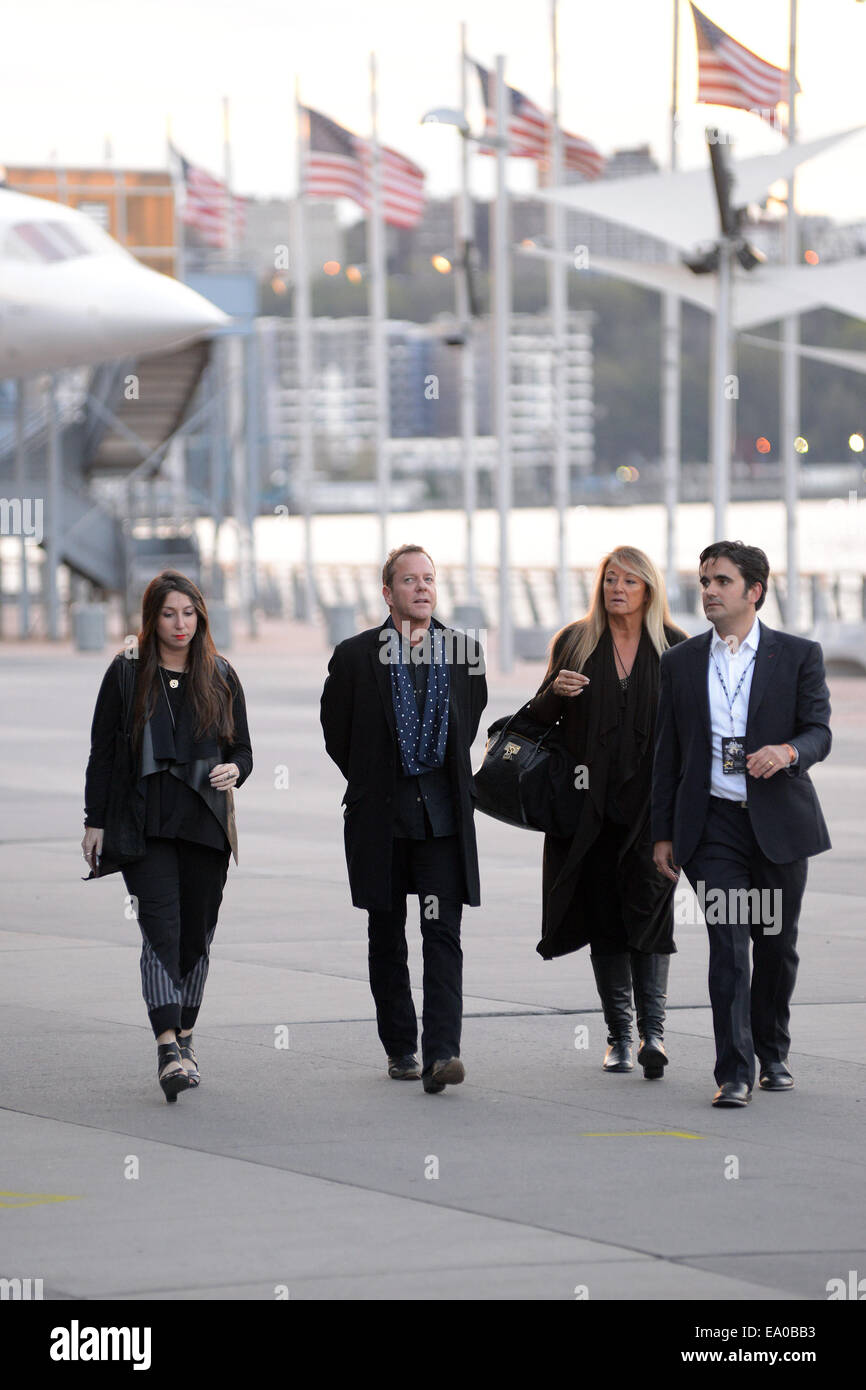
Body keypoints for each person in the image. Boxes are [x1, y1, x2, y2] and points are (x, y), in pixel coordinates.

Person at [652, 541, 831, 1108]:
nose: (708, 590)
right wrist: (663, 833)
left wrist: (787, 751)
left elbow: (820, 731)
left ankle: (772, 1051)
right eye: (704, 580)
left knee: (776, 945)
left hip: (779, 824)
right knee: (728, 944)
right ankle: (733, 1070)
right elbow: (667, 754)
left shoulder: (798, 655)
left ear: (753, 591)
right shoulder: (679, 662)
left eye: (721, 581)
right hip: (712, 828)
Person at [320, 544, 487, 1093]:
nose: (422, 588)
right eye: (409, 580)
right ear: (387, 593)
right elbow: (337, 734)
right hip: (382, 821)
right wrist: (374, 780)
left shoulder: (464, 652)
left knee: (442, 933)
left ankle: (443, 1053)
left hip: (441, 820)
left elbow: (471, 719)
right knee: (386, 935)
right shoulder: (353, 657)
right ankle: (401, 1049)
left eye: (430, 579)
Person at [82, 570, 253, 1102]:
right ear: (151, 619)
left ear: (200, 616)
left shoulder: (221, 674)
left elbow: (242, 750)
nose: (180, 624)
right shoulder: (127, 673)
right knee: (161, 928)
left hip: (205, 825)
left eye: (188, 612)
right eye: (168, 613)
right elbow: (103, 752)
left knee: (196, 935)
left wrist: (235, 772)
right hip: (144, 825)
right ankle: (166, 1048)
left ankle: (186, 1034)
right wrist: (94, 820)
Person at [526, 547, 688, 1077]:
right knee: (605, 920)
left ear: (649, 589)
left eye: (630, 581)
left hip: (652, 812)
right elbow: (535, 722)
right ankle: (620, 1037)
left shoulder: (677, 649)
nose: (618, 588)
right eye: (610, 579)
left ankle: (654, 1034)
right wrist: (556, 692)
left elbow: (692, 737)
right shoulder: (576, 641)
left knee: (652, 912)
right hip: (587, 811)